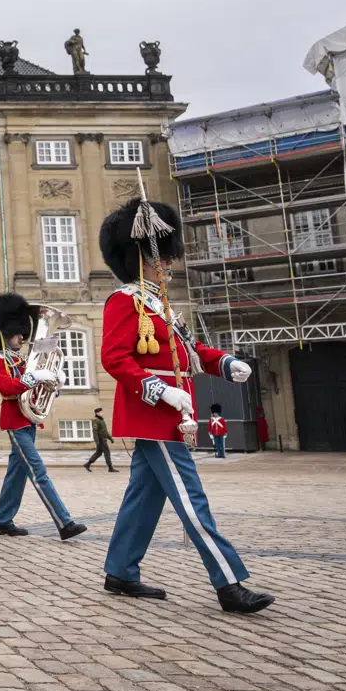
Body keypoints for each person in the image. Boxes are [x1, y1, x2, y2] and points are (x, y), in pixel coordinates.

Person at [97, 194, 274, 613]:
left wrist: (226, 362)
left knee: (144, 497)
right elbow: (114, 358)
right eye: (161, 257)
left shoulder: (161, 307)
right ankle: (229, 583)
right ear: (141, 257)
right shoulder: (125, 301)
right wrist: (158, 392)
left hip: (173, 413)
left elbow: (189, 352)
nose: (168, 264)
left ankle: (120, 570)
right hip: (156, 414)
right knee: (192, 501)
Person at [0, 293, 88, 541]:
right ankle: (64, 522)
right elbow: (8, 388)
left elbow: (35, 389)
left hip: (29, 421)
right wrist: (33, 377)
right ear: (5, 333)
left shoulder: (22, 361)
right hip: (14, 423)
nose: (22, 337)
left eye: (22, 333)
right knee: (38, 471)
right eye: (17, 333)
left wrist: (54, 380)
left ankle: (1, 520)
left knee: (16, 475)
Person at [85, 407, 117, 472]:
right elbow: (95, 432)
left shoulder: (101, 420)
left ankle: (87, 464)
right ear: (97, 413)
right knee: (107, 453)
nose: (102, 413)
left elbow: (105, 431)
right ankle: (110, 468)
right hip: (101, 440)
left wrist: (110, 438)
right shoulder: (96, 421)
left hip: (103, 439)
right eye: (101, 412)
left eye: (102, 412)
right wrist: (97, 441)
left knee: (98, 453)